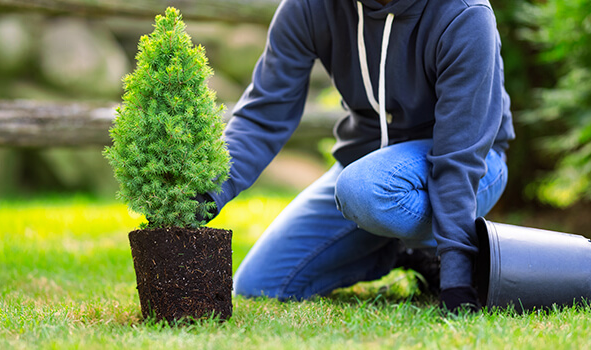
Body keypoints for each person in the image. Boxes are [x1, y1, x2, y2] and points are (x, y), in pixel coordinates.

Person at [205, 0, 515, 313]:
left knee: (363, 188)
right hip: (367, 166)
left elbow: (458, 155)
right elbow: (263, 115)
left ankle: (433, 247)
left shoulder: (463, 13)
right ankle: (404, 252)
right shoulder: (308, 7)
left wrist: (457, 279)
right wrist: (206, 191)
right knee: (260, 283)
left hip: (471, 162)